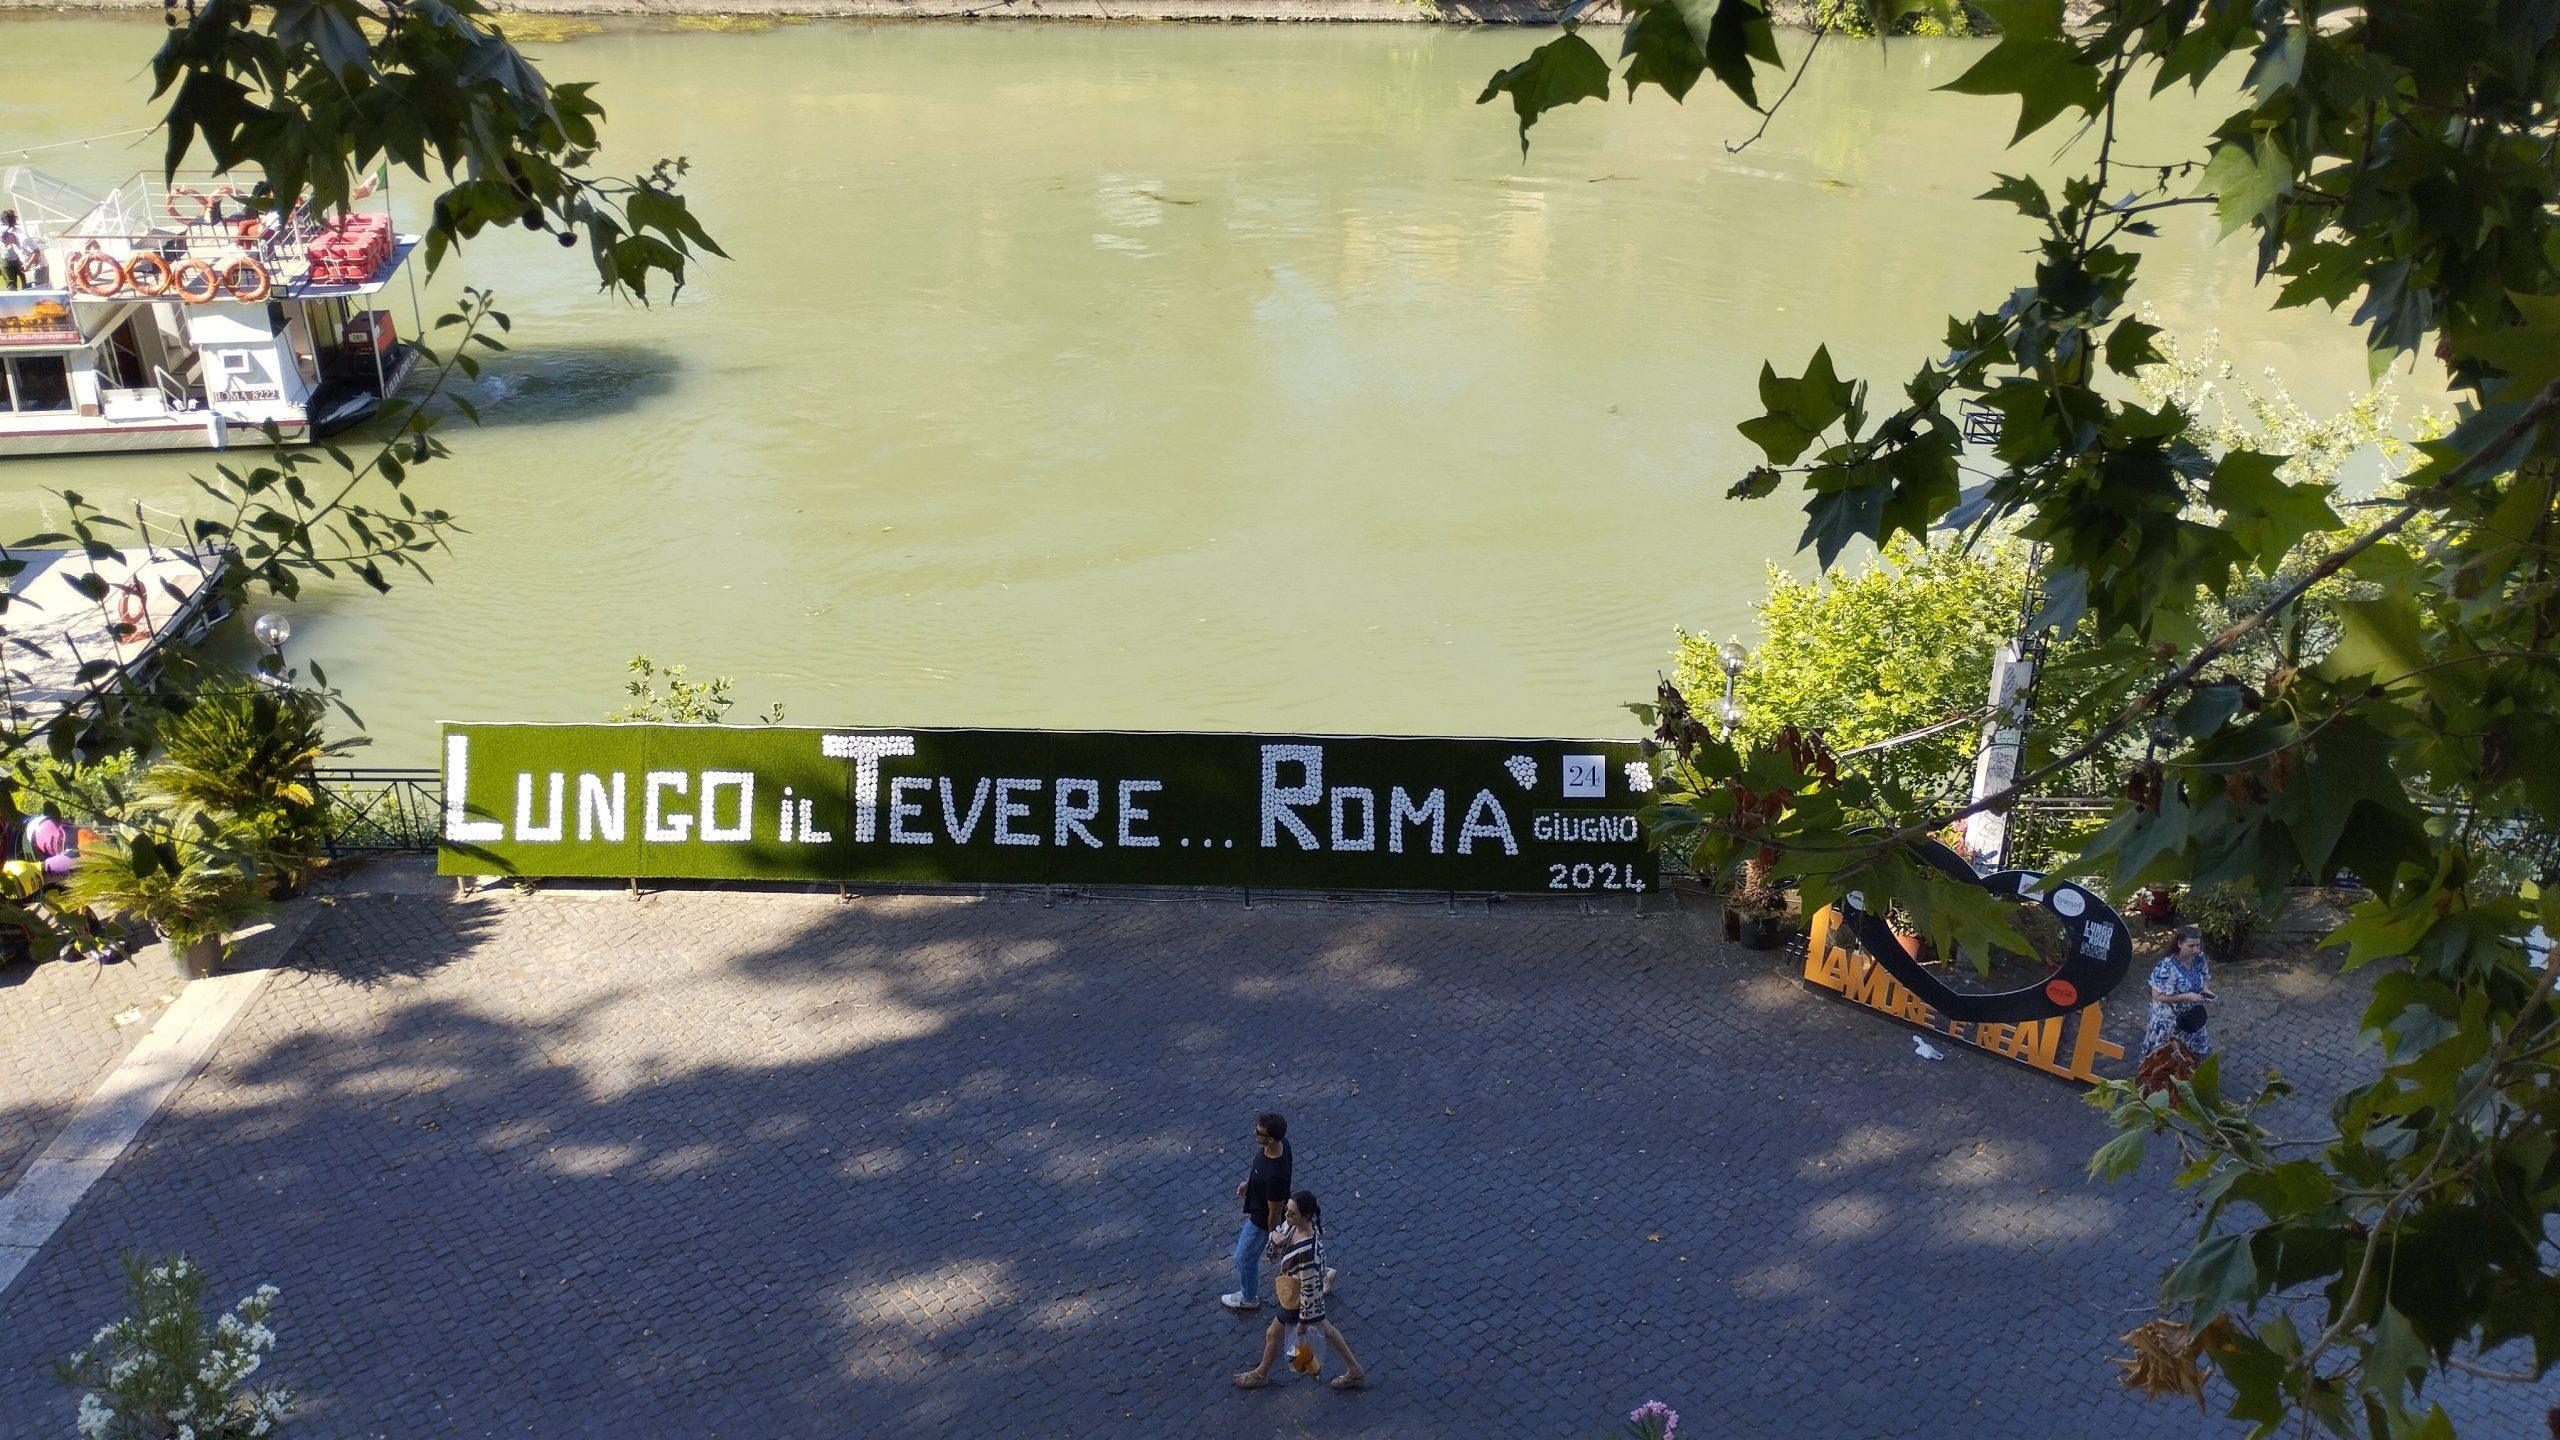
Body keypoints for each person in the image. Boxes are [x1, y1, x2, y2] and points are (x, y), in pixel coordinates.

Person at [1233, 1191, 1367, 1392]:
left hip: (1298, 1301)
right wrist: (1275, 1240)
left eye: (1292, 1213)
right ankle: (1355, 1370)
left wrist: (1303, 1322)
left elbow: (1309, 1289)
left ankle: (1260, 1374)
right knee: (1326, 1329)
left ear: (1305, 1216)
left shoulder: (1308, 1253)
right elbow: (1273, 1252)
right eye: (1287, 1211)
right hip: (1299, 1295)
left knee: (1273, 1333)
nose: (1286, 1216)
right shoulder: (1293, 1227)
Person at [1222, 1112, 1290, 1312]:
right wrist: (1249, 1182)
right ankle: (1320, 1273)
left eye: (1259, 1133)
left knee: (1243, 1258)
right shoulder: (1279, 1145)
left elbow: (1274, 1212)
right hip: (1262, 1208)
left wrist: (1272, 1236)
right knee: (1295, 1249)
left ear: (1269, 1138)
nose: (1254, 1134)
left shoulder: (1276, 1176)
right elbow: (1260, 1168)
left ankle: (1248, 1297)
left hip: (1260, 1221)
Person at [2138, 925, 2215, 1093]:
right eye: (2191, 946)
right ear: (2180, 943)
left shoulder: (2199, 958)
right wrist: (2187, 996)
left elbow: (2204, 977)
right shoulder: (2166, 966)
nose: (2196, 950)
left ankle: (2187, 1079)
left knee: (2197, 1048)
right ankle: (2157, 1085)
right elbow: (2157, 996)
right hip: (2169, 1018)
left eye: (2198, 945)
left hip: (2191, 1014)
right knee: (2164, 1054)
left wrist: (2205, 991)